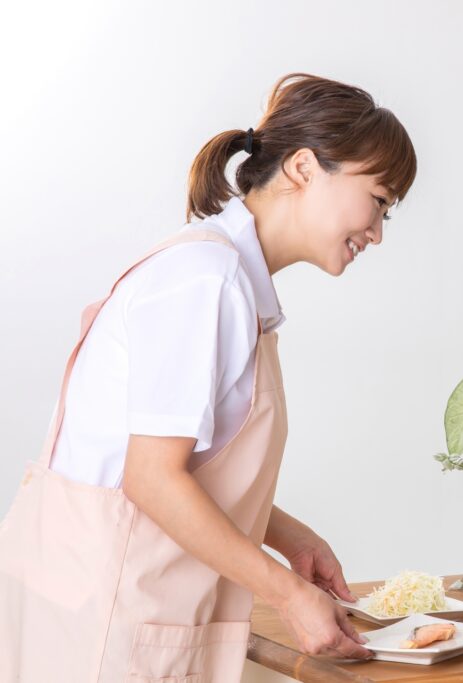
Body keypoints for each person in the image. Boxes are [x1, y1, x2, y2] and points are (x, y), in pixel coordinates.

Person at [0, 73, 416, 682]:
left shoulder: (227, 283)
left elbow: (178, 463)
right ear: (303, 167)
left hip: (113, 613)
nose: (378, 231)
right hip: (103, 632)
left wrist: (292, 538)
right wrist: (291, 594)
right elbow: (151, 478)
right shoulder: (205, 281)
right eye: (379, 200)